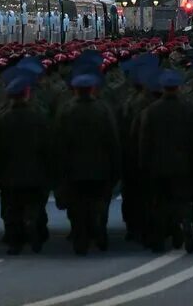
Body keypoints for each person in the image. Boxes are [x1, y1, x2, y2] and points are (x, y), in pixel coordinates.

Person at [52, 73, 121, 256]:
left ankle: (80, 238)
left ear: (75, 90)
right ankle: (100, 230)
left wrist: (59, 168)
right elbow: (112, 140)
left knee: (77, 206)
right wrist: (116, 166)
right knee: (100, 202)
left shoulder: (66, 111)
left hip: (74, 168)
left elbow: (59, 142)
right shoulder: (103, 110)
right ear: (92, 89)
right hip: (100, 166)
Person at [0, 75, 53, 255]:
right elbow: (47, 145)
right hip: (35, 169)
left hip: (10, 171)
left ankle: (14, 241)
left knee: (12, 208)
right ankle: (34, 229)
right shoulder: (39, 117)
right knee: (35, 204)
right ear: (27, 93)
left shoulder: (2, 119)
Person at [138, 69, 193, 252]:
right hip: (183, 164)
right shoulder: (188, 109)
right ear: (178, 87)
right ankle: (186, 227)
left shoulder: (151, 111)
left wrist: (143, 165)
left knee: (160, 203)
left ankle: (159, 238)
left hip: (158, 164)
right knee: (182, 202)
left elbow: (144, 141)